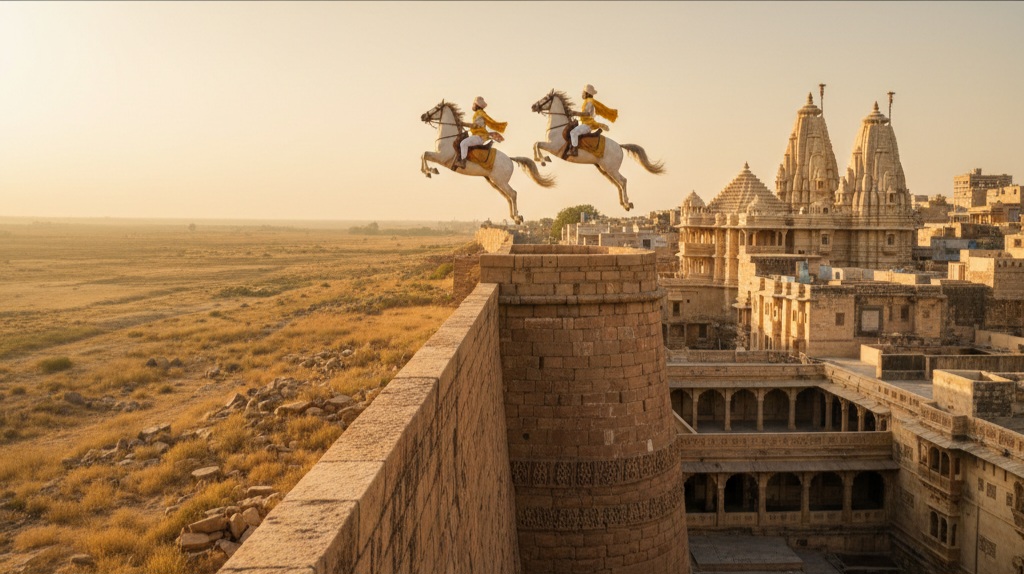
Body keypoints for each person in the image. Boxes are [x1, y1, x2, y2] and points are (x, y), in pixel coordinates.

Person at [568, 84, 618, 157]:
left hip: (587, 125)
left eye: (583, 92)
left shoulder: (589, 101)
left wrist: (575, 113)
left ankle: (574, 150)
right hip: (585, 124)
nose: (582, 94)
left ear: (587, 93)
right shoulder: (588, 101)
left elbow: (587, 113)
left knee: (573, 132)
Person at [457, 96, 507, 169]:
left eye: (474, 104)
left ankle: (463, 162)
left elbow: (475, 126)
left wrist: (462, 123)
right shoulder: (479, 113)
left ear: (477, 105)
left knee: (463, 143)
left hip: (479, 137)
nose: (473, 105)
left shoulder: (479, 113)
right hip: (478, 136)